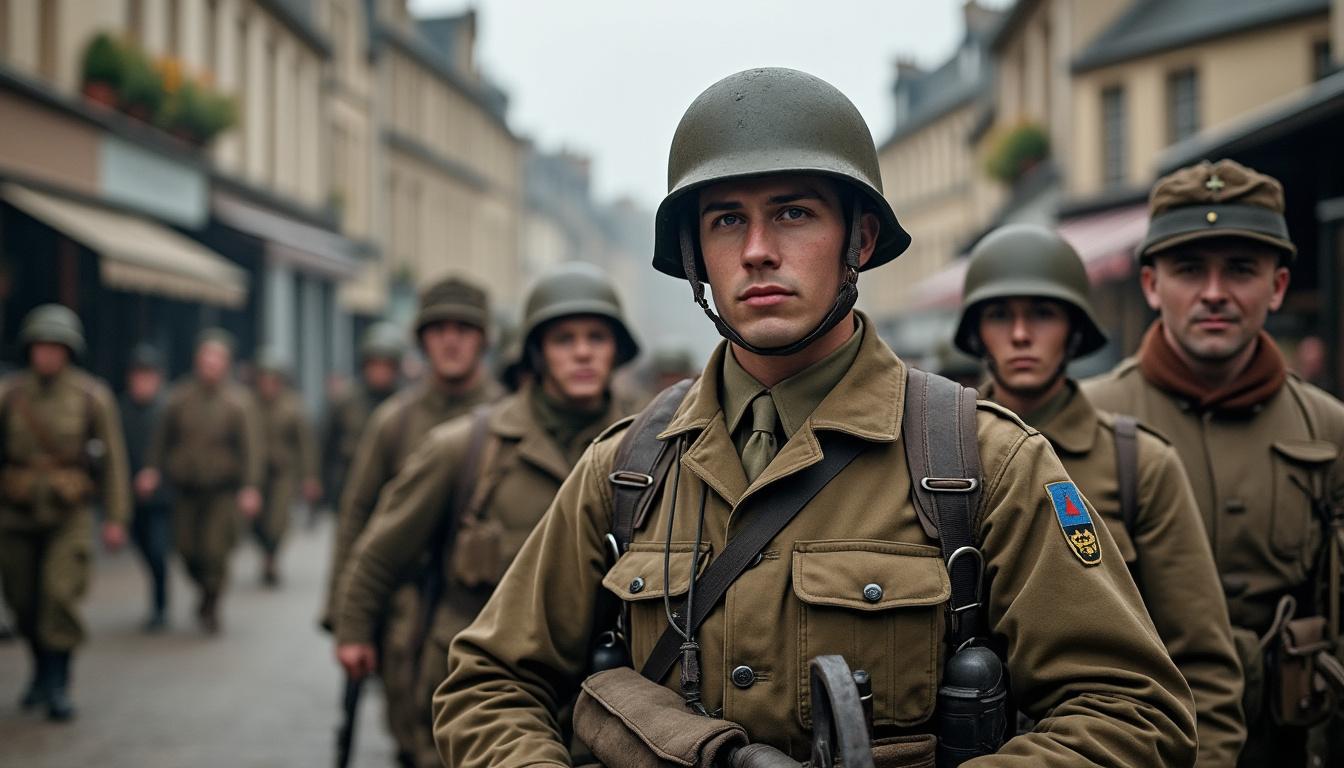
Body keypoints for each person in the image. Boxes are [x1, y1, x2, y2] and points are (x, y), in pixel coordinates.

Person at [436, 68, 1197, 767]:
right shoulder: (629, 468)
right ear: (696, 257)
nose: (759, 251)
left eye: (794, 213)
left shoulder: (982, 464)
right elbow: (488, 684)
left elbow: (1131, 712)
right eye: (728, 221)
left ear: (859, 239)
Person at [1084, 159, 1344, 767]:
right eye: (1189, 270)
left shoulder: (1329, 431)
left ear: (1278, 285)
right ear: (1150, 284)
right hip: (1140, 745)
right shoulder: (1085, 424)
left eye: (1242, 270)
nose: (1214, 294)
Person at [954, 223, 1245, 765]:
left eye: (1042, 314)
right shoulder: (937, 458)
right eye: (999, 315)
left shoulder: (1139, 464)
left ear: (1073, 331)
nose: (1020, 335)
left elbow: (1202, 669)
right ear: (976, 334)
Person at [336, 261, 638, 768]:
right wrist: (354, 632)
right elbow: (379, 551)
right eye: (565, 339)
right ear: (537, 353)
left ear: (617, 350)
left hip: (604, 697)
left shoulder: (646, 445)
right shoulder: (464, 447)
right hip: (476, 688)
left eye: (597, 337)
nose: (583, 352)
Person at [324, 275, 501, 767]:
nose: (450, 339)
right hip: (406, 611)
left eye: (463, 328)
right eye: (438, 328)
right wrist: (345, 619)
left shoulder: (509, 416)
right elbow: (357, 518)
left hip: (485, 606)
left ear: (482, 338)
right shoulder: (394, 422)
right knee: (412, 736)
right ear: (422, 339)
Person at [0, 304, 130, 720]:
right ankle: (39, 671)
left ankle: (58, 683)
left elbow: (114, 463)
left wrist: (115, 517)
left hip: (68, 514)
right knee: (23, 601)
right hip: (16, 512)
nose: (48, 354)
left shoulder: (92, 397)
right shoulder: (9, 395)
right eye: (41, 346)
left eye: (57, 347)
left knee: (60, 596)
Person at [140, 329, 262, 634]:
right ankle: (204, 588)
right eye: (205, 358)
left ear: (226, 364)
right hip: (185, 490)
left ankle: (211, 601)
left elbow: (251, 449)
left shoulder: (239, 403)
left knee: (215, 552)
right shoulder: (179, 398)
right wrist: (152, 469)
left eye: (216, 359)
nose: (210, 364)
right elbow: (161, 440)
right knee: (185, 551)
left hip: (221, 492)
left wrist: (250, 487)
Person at [321, 322, 403, 520]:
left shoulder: (405, 403)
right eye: (375, 364)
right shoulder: (345, 401)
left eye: (386, 365)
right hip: (348, 488)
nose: (380, 371)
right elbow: (327, 445)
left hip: (390, 495)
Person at [252, 349, 320, 587]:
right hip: (257, 473)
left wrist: (309, 477)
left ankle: (272, 558)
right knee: (255, 522)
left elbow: (305, 444)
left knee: (278, 522)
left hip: (284, 473)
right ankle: (265, 552)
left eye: (273, 380)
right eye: (264, 380)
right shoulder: (249, 405)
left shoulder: (292, 406)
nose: (268, 385)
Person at [120, 343, 172, 631]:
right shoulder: (121, 408)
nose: (142, 382)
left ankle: (160, 606)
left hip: (162, 499)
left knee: (157, 550)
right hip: (130, 497)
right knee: (143, 548)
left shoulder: (167, 409)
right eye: (138, 375)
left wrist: (157, 475)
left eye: (148, 375)